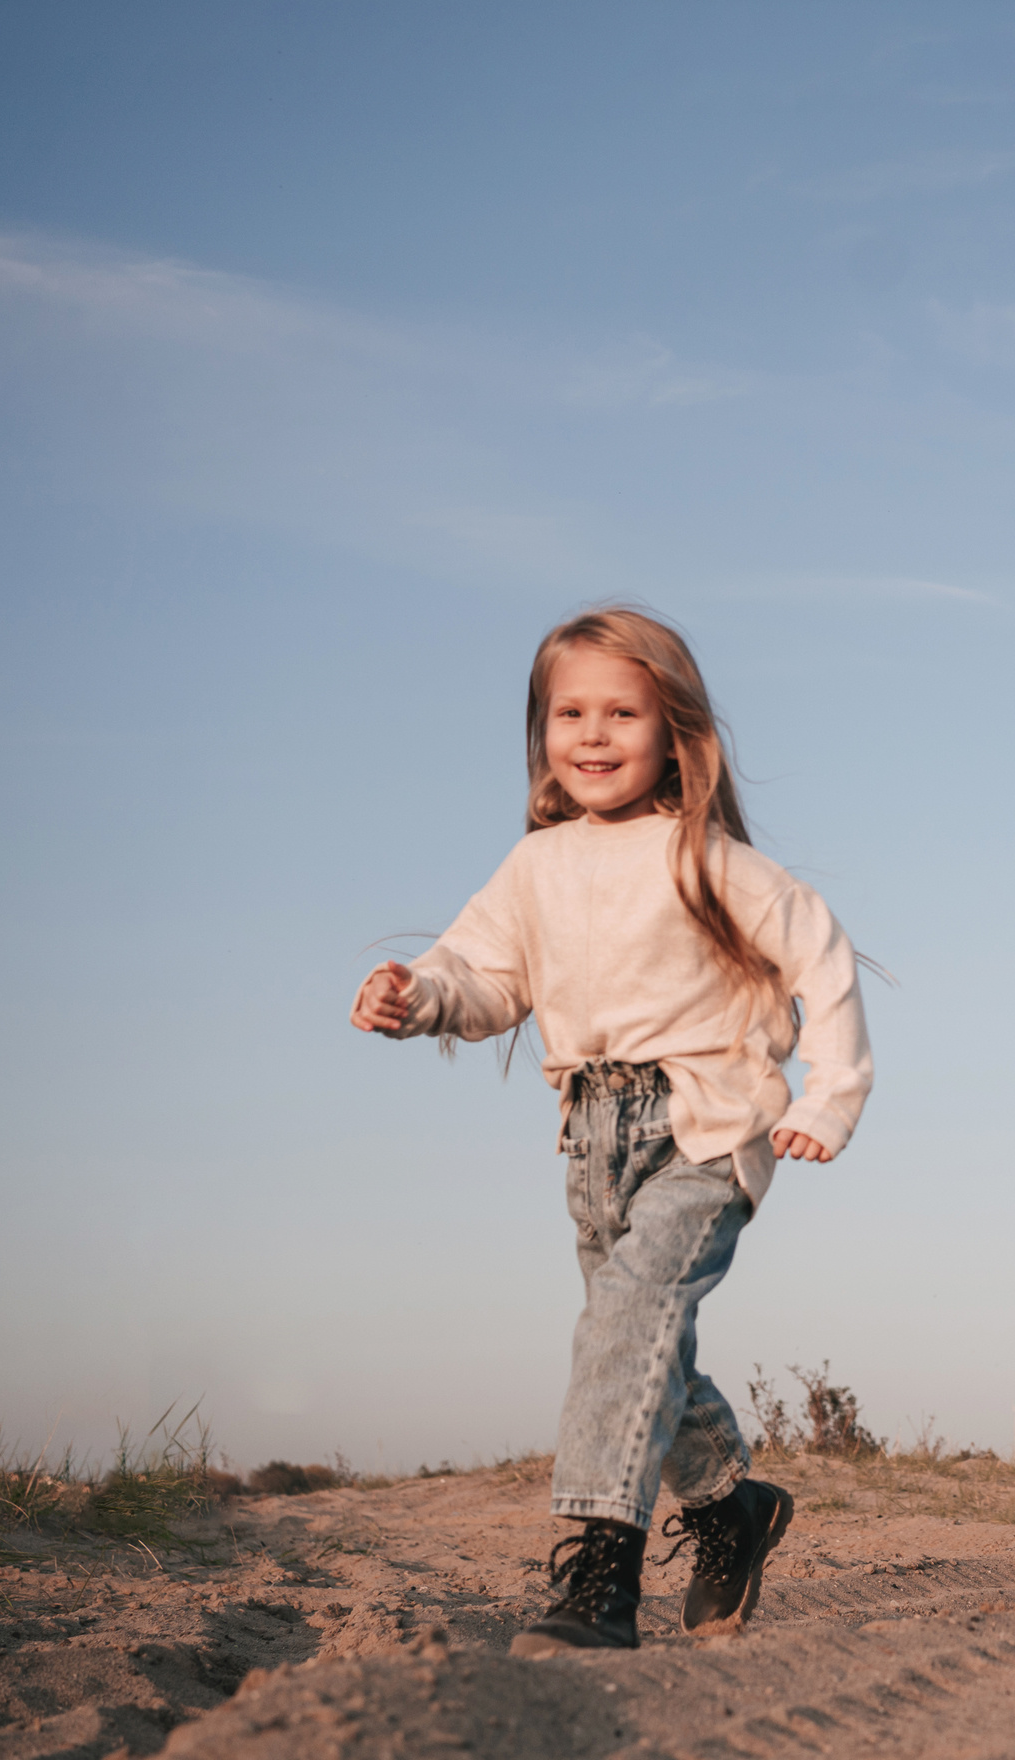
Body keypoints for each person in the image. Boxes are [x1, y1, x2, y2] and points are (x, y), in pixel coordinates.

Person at [346, 606, 872, 1656]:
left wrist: (828, 1094)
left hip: (704, 1125)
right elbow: (485, 973)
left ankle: (600, 1572)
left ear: (672, 733)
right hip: (590, 1135)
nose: (592, 733)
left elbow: (819, 950)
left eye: (621, 712)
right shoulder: (535, 865)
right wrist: (418, 997)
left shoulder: (702, 856)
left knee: (622, 1327)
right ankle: (731, 1508)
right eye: (569, 711)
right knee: (636, 1344)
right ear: (542, 731)